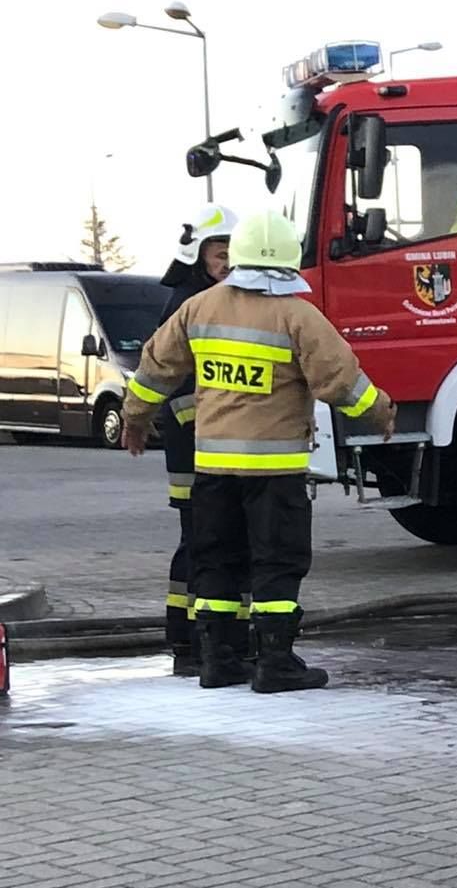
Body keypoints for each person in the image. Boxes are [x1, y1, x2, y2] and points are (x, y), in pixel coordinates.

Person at [122, 210, 395, 693]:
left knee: (216, 561)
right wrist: (381, 414)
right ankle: (276, 663)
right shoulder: (297, 315)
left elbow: (154, 369)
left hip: (213, 469)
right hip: (274, 470)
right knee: (276, 563)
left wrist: (135, 419)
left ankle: (218, 661)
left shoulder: (198, 309)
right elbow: (342, 382)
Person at [154, 204, 238, 675]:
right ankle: (190, 640)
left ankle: (200, 639)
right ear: (199, 253)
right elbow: (170, 376)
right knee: (201, 540)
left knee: (211, 539)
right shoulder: (187, 303)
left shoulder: (211, 297)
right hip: (195, 446)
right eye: (219, 252)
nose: (226, 262)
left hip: (213, 441)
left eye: (232, 252)